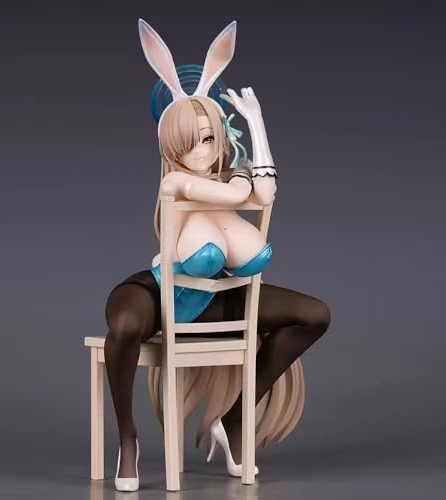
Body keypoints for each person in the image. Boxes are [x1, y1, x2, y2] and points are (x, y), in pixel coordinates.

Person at [104, 19, 331, 491]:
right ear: (170, 144)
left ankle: (236, 419)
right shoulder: (176, 181)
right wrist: (242, 180)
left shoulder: (231, 174)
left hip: (213, 296)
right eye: (187, 140)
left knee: (314, 315)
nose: (200, 150)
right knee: (123, 326)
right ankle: (128, 437)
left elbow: (264, 195)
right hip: (159, 291)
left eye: (208, 138)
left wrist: (255, 123)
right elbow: (241, 194)